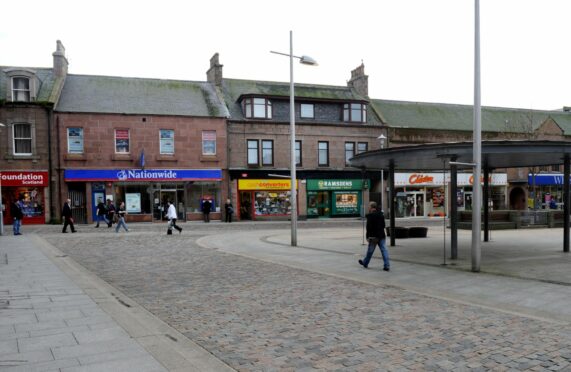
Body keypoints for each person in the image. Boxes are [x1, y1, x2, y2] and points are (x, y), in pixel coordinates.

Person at [359, 201, 390, 272]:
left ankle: (365, 263)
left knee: (370, 251)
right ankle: (386, 265)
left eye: (369, 206)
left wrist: (367, 237)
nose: (368, 207)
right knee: (384, 250)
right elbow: (383, 225)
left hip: (373, 237)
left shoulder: (370, 216)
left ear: (371, 207)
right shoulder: (381, 215)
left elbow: (368, 228)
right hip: (381, 235)